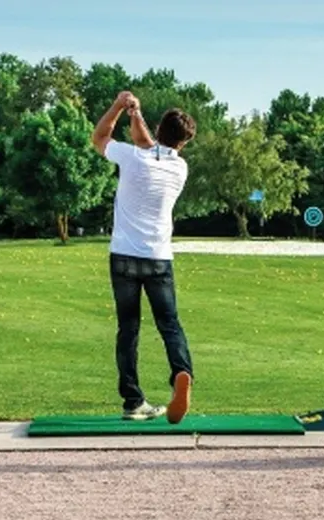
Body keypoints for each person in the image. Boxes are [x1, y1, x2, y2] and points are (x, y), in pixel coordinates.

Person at [90, 91, 197, 423]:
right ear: (183, 142)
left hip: (122, 257)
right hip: (158, 258)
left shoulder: (131, 156)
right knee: (170, 324)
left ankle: (133, 402)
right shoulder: (180, 168)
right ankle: (182, 372)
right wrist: (135, 115)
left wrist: (120, 106)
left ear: (159, 129)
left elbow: (100, 137)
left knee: (128, 329)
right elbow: (150, 145)